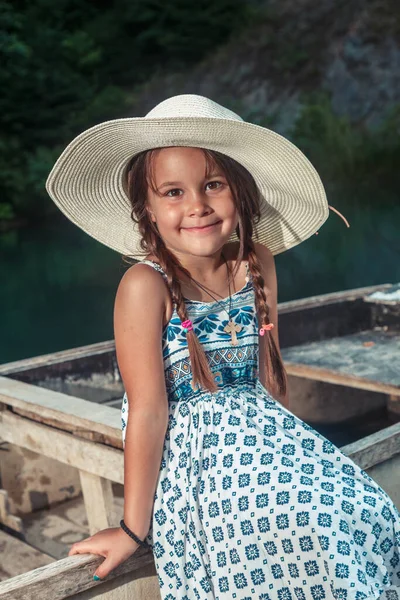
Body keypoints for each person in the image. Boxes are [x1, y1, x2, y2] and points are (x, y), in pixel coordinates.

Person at [46, 94, 400, 599]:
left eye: (213, 184)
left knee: (363, 510)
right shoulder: (144, 287)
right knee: (298, 527)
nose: (196, 206)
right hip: (197, 466)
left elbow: (265, 381)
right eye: (172, 191)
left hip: (261, 441)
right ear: (146, 208)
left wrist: (296, 458)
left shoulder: (256, 261)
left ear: (240, 191)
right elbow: (148, 412)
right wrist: (131, 528)